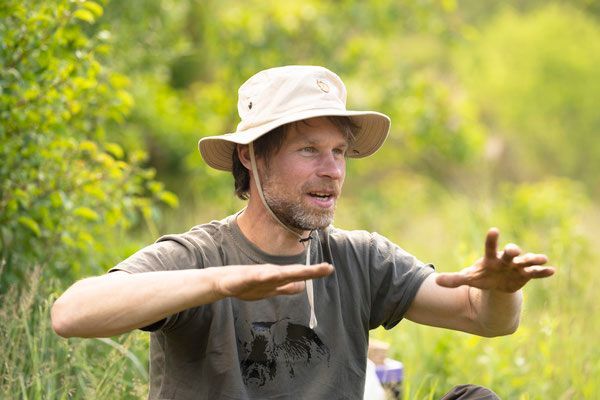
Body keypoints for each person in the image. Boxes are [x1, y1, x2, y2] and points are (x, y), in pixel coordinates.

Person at [51, 65, 555, 399]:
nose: (332, 170)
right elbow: (71, 314)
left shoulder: (359, 258)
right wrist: (219, 282)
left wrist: (500, 292)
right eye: (309, 150)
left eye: (338, 152)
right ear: (249, 155)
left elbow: (484, 320)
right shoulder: (199, 255)